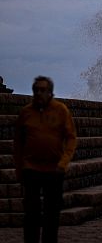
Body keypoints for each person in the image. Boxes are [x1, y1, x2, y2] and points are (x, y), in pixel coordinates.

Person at [13, 76, 77, 243]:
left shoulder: (61, 110)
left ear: (50, 93)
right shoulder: (26, 112)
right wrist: (19, 168)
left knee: (51, 215)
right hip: (31, 169)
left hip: (54, 170)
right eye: (36, 90)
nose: (39, 93)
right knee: (31, 215)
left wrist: (64, 163)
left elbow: (71, 138)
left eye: (43, 90)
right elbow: (18, 143)